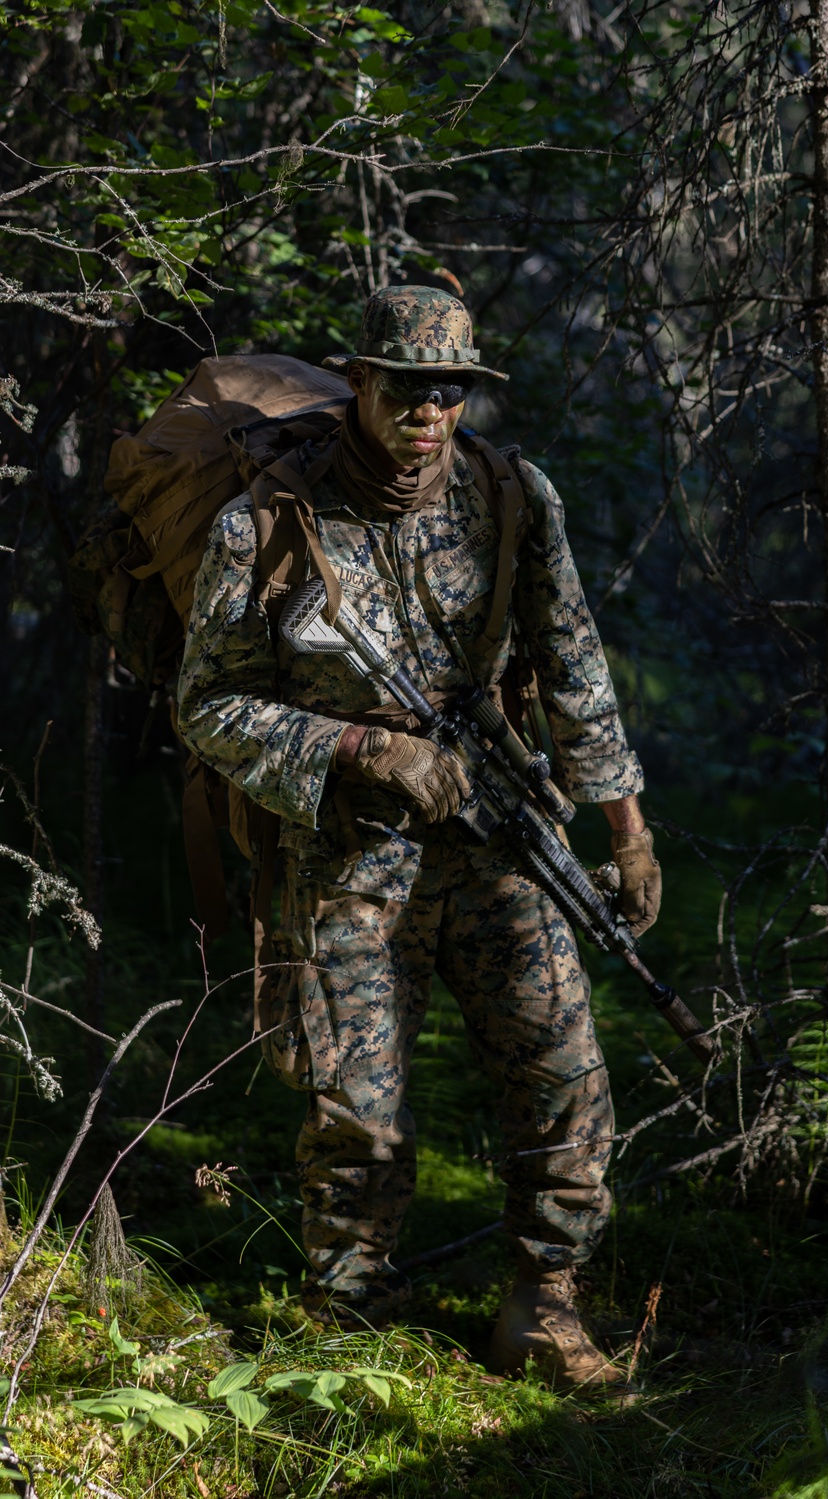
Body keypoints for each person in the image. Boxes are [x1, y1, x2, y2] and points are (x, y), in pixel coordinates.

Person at [176, 286, 661, 1389]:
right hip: (347, 853)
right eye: (405, 389)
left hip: (499, 838)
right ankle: (351, 1331)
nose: (427, 413)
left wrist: (627, 831)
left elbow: (574, 662)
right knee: (358, 1107)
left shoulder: (510, 496)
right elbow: (206, 703)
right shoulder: (265, 522)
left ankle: (543, 1305)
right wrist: (359, 749)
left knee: (566, 1075)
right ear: (362, 384)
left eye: (449, 391)